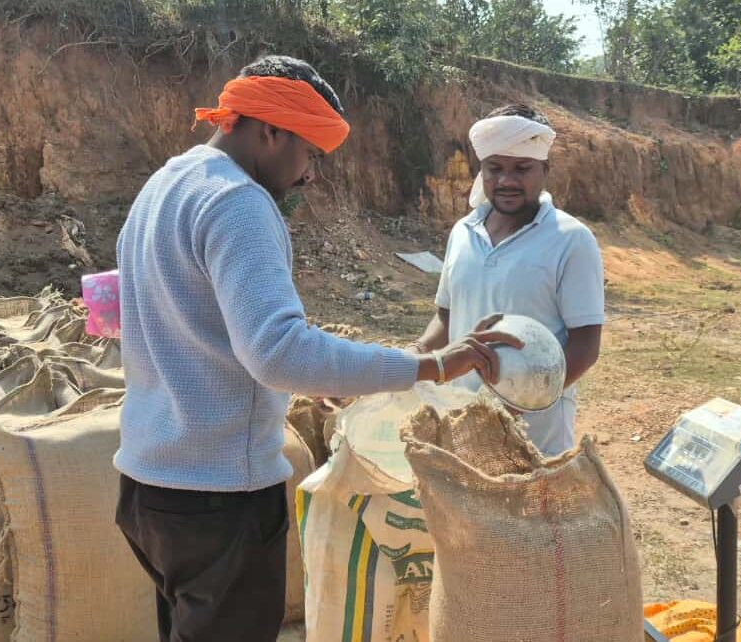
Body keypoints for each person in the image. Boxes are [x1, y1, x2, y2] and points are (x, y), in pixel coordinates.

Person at [113, 55, 521, 642]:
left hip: (149, 489)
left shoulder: (166, 184)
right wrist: (432, 365)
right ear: (269, 131)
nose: (310, 176)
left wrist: (321, 375)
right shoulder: (238, 202)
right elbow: (278, 352)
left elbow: (177, 322)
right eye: (310, 154)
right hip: (218, 499)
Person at [409, 103, 605, 457]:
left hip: (534, 437)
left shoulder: (571, 239)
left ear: (544, 170)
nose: (507, 181)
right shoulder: (463, 231)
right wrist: (417, 353)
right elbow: (447, 317)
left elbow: (585, 345)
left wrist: (517, 404)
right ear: (481, 171)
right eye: (495, 168)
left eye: (522, 169)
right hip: (459, 424)